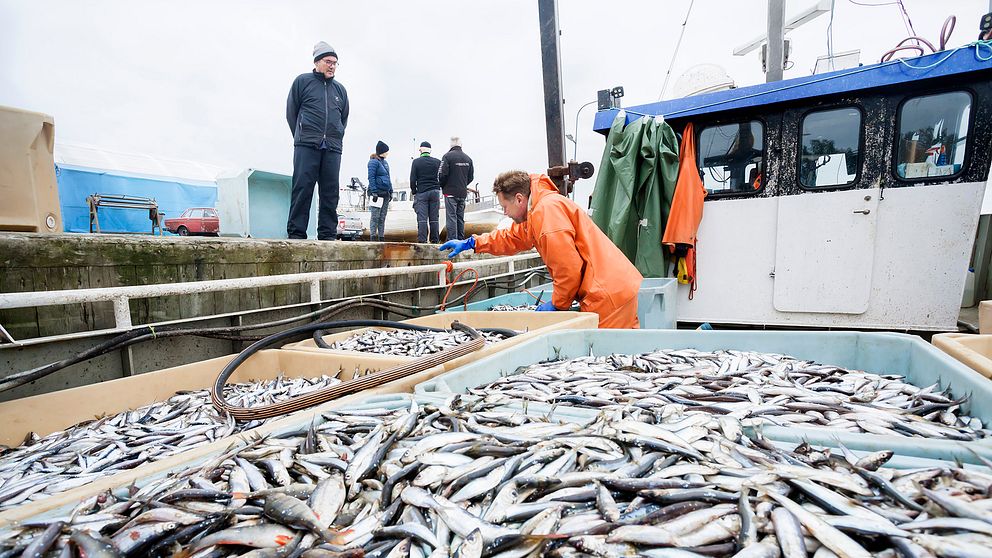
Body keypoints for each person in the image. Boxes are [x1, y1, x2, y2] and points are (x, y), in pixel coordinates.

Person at [439, 171, 643, 329]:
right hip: (608, 287)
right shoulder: (537, 210)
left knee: (607, 361)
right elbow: (511, 238)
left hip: (607, 293)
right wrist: (472, 243)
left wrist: (557, 304)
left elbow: (568, 270)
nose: (505, 213)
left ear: (519, 199)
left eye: (505, 206)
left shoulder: (547, 213)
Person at [285, 41, 349, 240]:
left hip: (332, 147)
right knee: (302, 187)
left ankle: (328, 235)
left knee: (330, 192)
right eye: (328, 61)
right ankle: (296, 233)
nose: (332, 66)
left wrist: (335, 135)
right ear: (317, 62)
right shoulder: (302, 82)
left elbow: (343, 119)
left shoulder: (340, 90)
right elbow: (291, 113)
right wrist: (302, 135)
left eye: (335, 63)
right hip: (306, 144)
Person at [439, 136, 474, 241]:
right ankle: (461, 239)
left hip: (450, 192)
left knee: (451, 217)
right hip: (462, 193)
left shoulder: (447, 157)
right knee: (460, 217)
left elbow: (442, 175)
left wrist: (443, 185)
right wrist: (463, 184)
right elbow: (471, 177)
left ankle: (452, 241)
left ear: (450, 145)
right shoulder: (468, 159)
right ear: (461, 145)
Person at [409, 141, 441, 243]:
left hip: (422, 192)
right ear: (430, 150)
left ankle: (422, 240)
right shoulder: (438, 162)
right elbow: (442, 176)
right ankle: (435, 240)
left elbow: (412, 179)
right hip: (435, 192)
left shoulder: (416, 162)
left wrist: (414, 191)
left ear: (420, 150)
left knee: (422, 219)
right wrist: (438, 187)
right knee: (434, 218)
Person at [367, 141, 392, 241]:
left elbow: (388, 177)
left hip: (385, 193)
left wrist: (391, 191)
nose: (388, 153)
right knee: (375, 217)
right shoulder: (373, 162)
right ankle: (373, 237)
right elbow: (371, 177)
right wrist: (374, 192)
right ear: (382, 151)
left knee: (382, 217)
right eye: (386, 151)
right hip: (377, 193)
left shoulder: (385, 163)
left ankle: (381, 237)